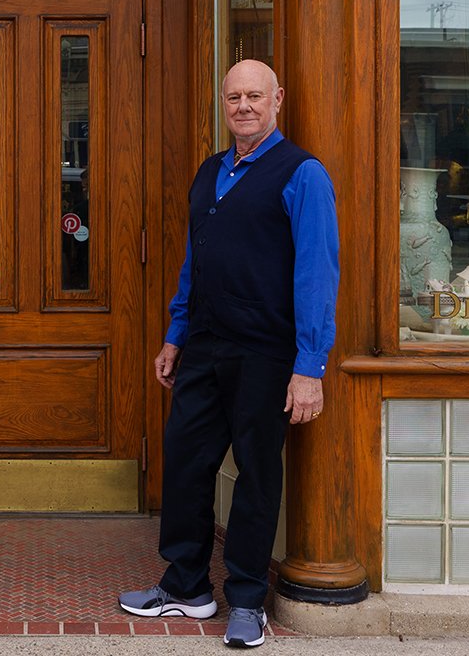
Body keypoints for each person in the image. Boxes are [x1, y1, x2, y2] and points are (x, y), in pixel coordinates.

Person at [118, 59, 339, 649]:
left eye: (254, 96)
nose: (243, 106)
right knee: (186, 463)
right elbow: (197, 261)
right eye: (234, 97)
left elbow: (318, 274)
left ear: (277, 100)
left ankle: (245, 600)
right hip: (206, 348)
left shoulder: (303, 174)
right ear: (224, 104)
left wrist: (309, 368)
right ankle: (186, 587)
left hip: (268, 355)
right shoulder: (210, 171)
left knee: (257, 476)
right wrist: (176, 333)